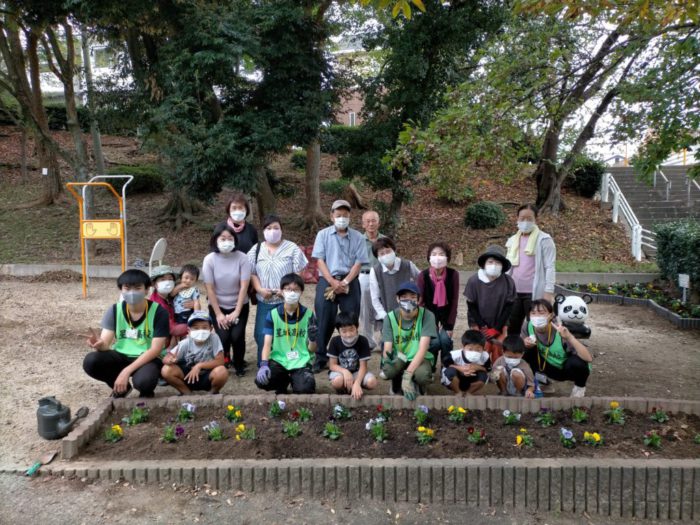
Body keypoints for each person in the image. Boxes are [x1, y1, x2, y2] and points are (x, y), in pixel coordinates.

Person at [83, 269, 169, 398]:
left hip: (148, 358)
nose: (132, 293)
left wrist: (126, 371)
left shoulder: (159, 312)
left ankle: (146, 394)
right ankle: (122, 388)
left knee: (145, 381)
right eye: (127, 288)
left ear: (147, 290)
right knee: (91, 361)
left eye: (138, 288)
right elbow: (106, 343)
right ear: (121, 290)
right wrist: (100, 345)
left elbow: (155, 350)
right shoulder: (114, 310)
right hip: (121, 355)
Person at [311, 199, 369, 373]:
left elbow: (359, 262)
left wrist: (345, 282)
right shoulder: (322, 235)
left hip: (350, 281)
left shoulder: (358, 237)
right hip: (327, 280)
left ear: (350, 217)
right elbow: (319, 261)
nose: (342, 218)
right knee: (324, 318)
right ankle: (321, 357)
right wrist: (332, 281)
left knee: (351, 318)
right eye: (338, 215)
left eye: (345, 215)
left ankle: (352, 356)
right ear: (332, 216)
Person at [247, 214, 307, 367]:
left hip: (287, 301)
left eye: (276, 228)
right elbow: (252, 272)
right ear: (263, 231)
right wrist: (259, 289)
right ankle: (264, 365)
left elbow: (298, 272)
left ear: (281, 230)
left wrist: (288, 290)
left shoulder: (292, 248)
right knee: (261, 334)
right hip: (265, 300)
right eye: (268, 228)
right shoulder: (256, 249)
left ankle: (287, 364)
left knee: (286, 334)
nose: (272, 231)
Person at [255, 273, 318, 394]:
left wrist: (312, 339)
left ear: (301, 292)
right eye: (288, 289)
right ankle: (283, 381)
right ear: (282, 291)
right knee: (262, 381)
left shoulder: (309, 315)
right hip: (279, 360)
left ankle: (296, 380)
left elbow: (312, 349)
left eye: (296, 290)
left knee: (306, 388)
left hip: (301, 361)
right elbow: (267, 344)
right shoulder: (272, 314)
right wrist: (264, 364)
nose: (292, 293)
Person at [202, 223, 251, 376]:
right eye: (222, 238)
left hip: (239, 304)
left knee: (237, 336)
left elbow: (244, 286)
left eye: (230, 238)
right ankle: (224, 359)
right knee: (223, 336)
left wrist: (237, 311)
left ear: (235, 240)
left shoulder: (242, 258)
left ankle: (239, 363)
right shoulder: (209, 259)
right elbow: (209, 289)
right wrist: (218, 314)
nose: (226, 242)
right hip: (217, 305)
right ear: (215, 240)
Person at [521, 299, 592, 397]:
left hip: (564, 369)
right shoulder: (527, 326)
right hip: (546, 367)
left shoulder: (560, 331)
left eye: (541, 313)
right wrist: (524, 343)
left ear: (551, 315)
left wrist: (570, 337)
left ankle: (579, 389)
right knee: (525, 352)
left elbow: (588, 358)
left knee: (578, 363)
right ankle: (540, 383)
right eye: (533, 313)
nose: (537, 316)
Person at [381, 282, 437, 400]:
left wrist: (407, 375)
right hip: (400, 356)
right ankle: (396, 383)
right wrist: (388, 361)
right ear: (397, 299)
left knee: (423, 376)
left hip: (420, 356)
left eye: (412, 297)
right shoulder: (389, 317)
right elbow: (387, 347)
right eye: (404, 297)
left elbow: (422, 349)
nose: (408, 301)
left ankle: (420, 385)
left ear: (419, 299)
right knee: (388, 370)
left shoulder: (427, 316)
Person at [505, 204, 556, 335]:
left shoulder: (544, 240)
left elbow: (550, 267)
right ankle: (514, 348)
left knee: (535, 327)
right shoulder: (512, 240)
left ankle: (534, 348)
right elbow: (508, 267)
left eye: (529, 218)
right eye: (522, 218)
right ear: (517, 219)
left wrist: (548, 292)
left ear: (536, 219)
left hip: (533, 293)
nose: (525, 222)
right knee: (512, 326)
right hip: (514, 292)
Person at [464, 245, 517, 362]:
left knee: (499, 347)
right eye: (490, 262)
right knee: (482, 347)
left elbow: (509, 307)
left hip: (500, 323)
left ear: (502, 266)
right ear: (484, 264)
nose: (494, 265)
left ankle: (497, 367)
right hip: (479, 323)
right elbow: (471, 306)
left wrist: (497, 328)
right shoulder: (474, 281)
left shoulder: (508, 281)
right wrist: (482, 327)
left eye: (498, 263)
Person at [161, 311, 229, 395]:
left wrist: (199, 366)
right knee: (166, 370)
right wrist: (170, 360)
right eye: (196, 328)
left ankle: (212, 393)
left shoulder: (214, 338)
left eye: (204, 327)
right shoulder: (185, 343)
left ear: (211, 329)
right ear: (189, 330)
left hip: (208, 376)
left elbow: (220, 361)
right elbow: (166, 358)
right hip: (188, 376)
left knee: (222, 371)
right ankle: (186, 393)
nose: (200, 331)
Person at [369, 237, 420, 347]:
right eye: (381, 253)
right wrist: (385, 317)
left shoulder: (407, 265)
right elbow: (375, 298)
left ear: (394, 250)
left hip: (409, 311)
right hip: (387, 314)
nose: (386, 255)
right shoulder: (375, 271)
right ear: (377, 257)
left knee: (410, 344)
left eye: (388, 251)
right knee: (388, 346)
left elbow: (421, 280)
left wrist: (415, 300)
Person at [416, 242, 459, 360]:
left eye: (441, 254)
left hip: (446, 312)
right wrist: (429, 323)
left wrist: (449, 326)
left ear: (447, 258)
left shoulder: (453, 274)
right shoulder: (423, 275)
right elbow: (420, 302)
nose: (437, 257)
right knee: (434, 342)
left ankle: (446, 365)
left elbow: (454, 300)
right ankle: (431, 364)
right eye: (434, 254)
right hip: (429, 314)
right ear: (429, 257)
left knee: (445, 340)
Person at [328, 311, 377, 399]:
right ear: (338, 331)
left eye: (351, 330)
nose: (348, 334)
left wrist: (357, 383)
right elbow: (332, 365)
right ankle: (343, 389)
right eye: (344, 331)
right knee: (337, 382)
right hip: (340, 373)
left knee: (372, 382)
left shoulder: (363, 341)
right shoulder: (335, 341)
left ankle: (355, 386)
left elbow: (363, 367)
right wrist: (345, 372)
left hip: (357, 372)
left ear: (357, 327)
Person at [359, 210, 386, 351]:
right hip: (364, 275)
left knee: (384, 306)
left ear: (378, 223)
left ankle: (385, 339)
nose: (371, 224)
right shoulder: (358, 240)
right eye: (368, 221)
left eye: (373, 220)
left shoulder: (385, 241)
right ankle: (368, 340)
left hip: (382, 276)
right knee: (365, 308)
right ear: (363, 224)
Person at [441, 330, 490, 395]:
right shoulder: (454, 355)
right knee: (450, 371)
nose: (474, 352)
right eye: (470, 349)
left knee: (484, 375)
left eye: (478, 350)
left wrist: (478, 367)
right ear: (463, 347)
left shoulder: (485, 356)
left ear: (483, 348)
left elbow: (488, 369)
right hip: (456, 379)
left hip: (472, 380)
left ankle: (468, 393)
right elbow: (445, 364)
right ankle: (458, 392)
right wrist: (460, 368)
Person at [148, 265, 188, 345]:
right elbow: (173, 329)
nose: (167, 282)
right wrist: (196, 326)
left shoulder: (170, 296)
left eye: (170, 279)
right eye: (162, 279)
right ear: (154, 284)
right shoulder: (157, 305)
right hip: (162, 344)